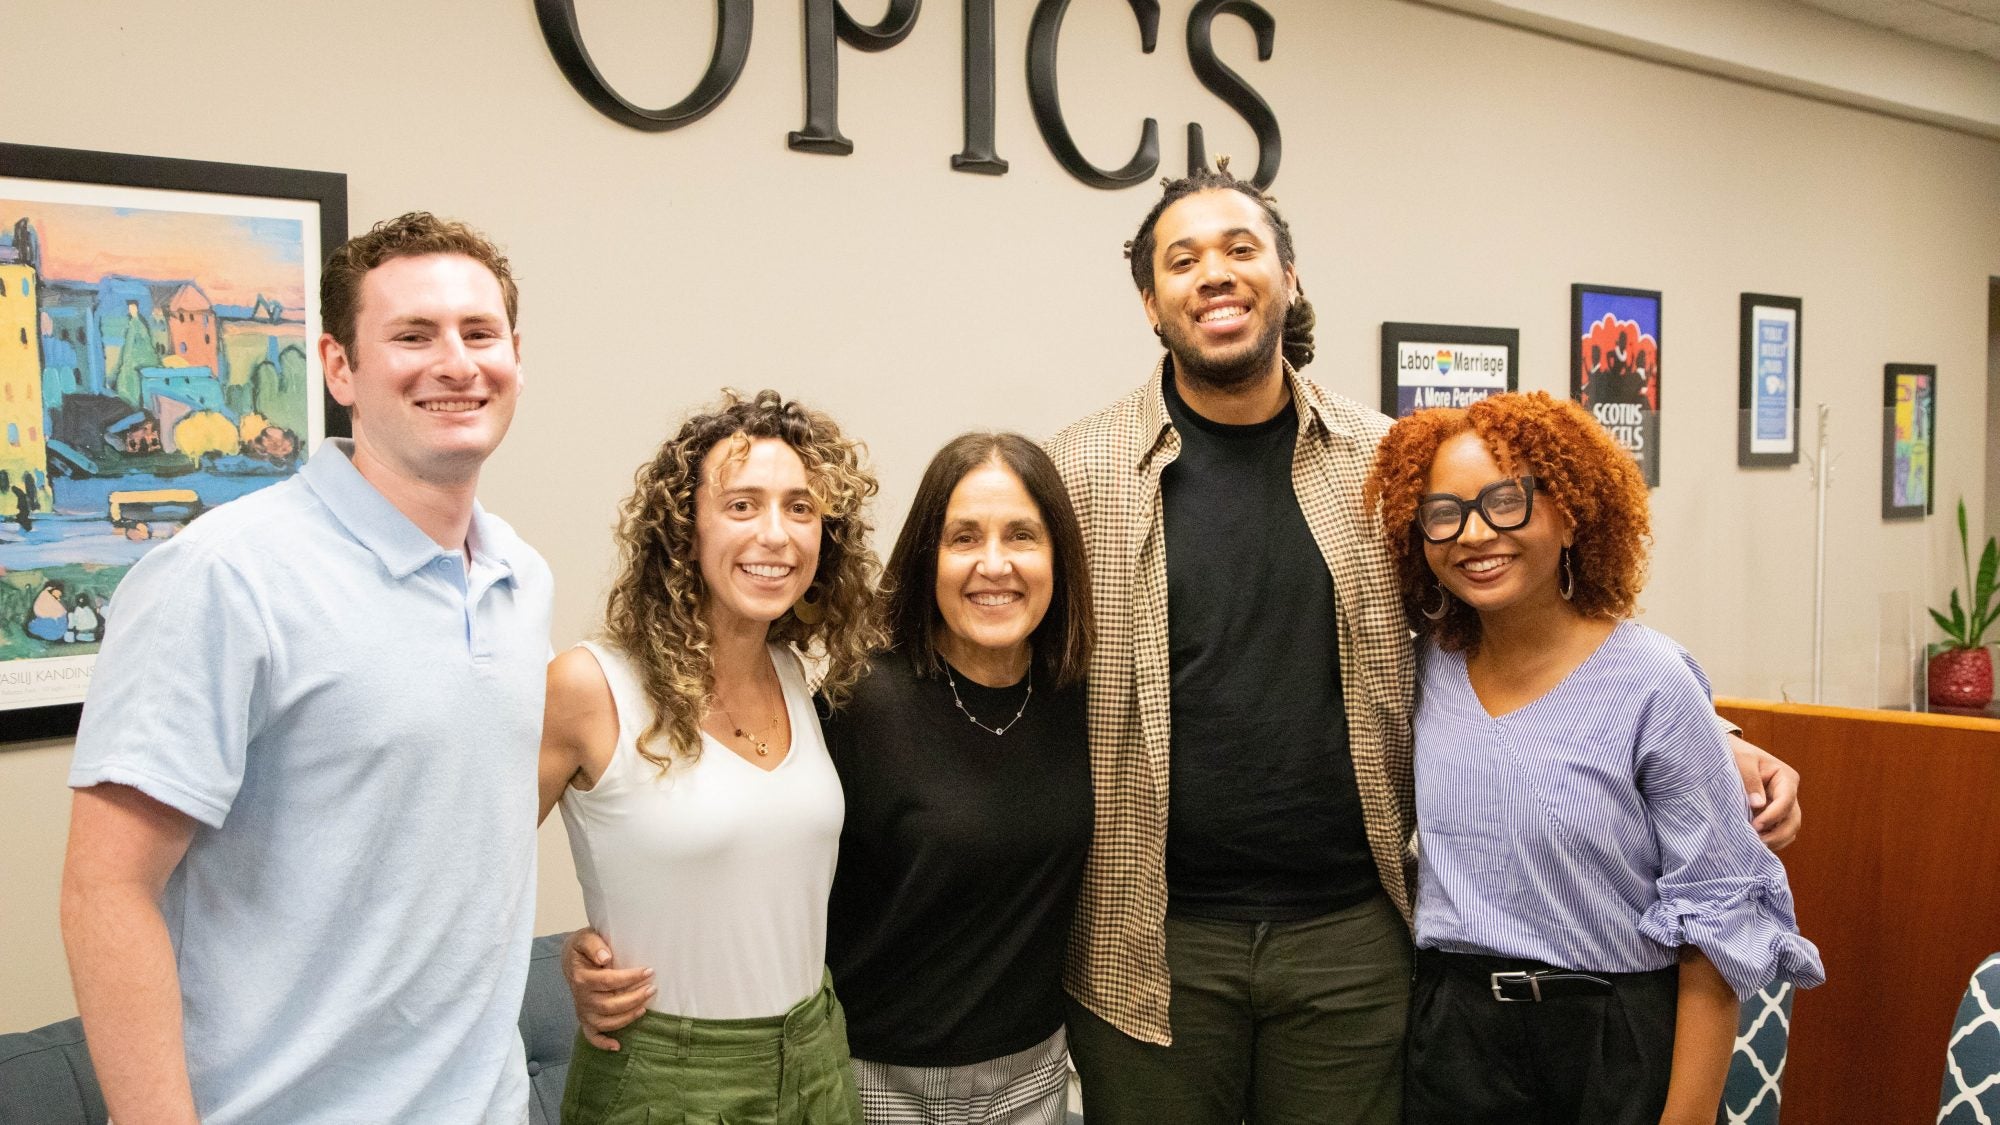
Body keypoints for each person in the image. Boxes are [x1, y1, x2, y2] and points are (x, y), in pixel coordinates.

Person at [1042, 161, 1805, 1125]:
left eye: (1242, 249)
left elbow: (1505, 613)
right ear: (1152, 302)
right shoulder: (1078, 470)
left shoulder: (1384, 461)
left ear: (1290, 277)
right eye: (1183, 259)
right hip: (1150, 937)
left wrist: (1708, 736)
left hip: (1354, 937)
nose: (1216, 274)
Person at [59, 212, 548, 1125]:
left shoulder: (523, 577)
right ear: (338, 368)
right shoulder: (223, 577)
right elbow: (105, 888)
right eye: (412, 335)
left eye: (479, 333)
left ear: (514, 355)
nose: (455, 362)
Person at [567, 432, 1095, 1124]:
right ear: (927, 559)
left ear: (1059, 557)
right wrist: (589, 950)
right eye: (964, 537)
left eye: (1021, 535)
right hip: (877, 1079)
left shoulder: (1083, 697)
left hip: (1032, 1073)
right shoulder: (857, 699)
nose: (993, 564)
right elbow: (753, 851)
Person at [1365, 392, 1823, 1123]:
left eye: (1506, 501)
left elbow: (1716, 913)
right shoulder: (1423, 672)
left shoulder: (1655, 681)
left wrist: (1689, 1115)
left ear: (1572, 512)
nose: (1474, 533)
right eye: (1442, 513)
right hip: (1453, 1039)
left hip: (1613, 1040)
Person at [538, 389, 882, 1125]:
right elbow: (458, 877)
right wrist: (564, 956)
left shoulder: (798, 675)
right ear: (683, 528)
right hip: (666, 1080)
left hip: (816, 1061)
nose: (777, 534)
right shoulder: (591, 687)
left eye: (800, 507)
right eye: (742, 505)